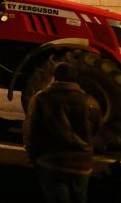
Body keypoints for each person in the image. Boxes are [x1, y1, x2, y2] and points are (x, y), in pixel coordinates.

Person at [23, 61, 103, 202]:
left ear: (54, 77)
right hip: (82, 165)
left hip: (52, 163)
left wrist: (32, 157)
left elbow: (31, 132)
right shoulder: (90, 102)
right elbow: (96, 130)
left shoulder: (41, 99)